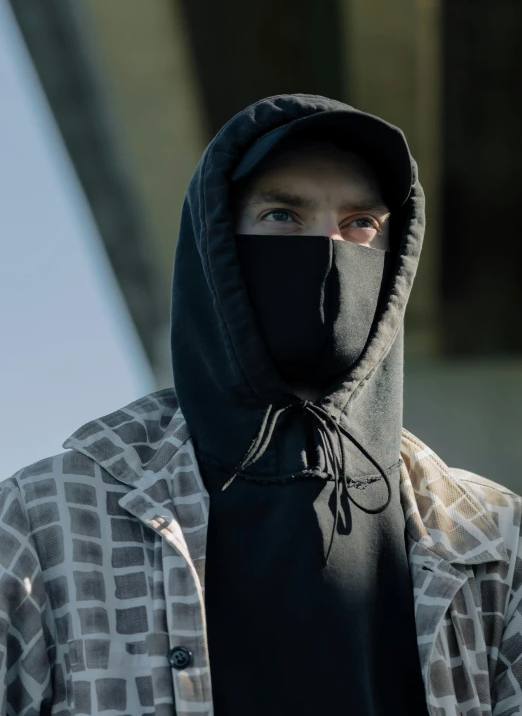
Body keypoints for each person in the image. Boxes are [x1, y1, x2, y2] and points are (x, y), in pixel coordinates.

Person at [0, 94, 520, 716]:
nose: (329, 249)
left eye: (361, 224)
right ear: (215, 244)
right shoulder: (46, 524)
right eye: (282, 215)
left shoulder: (490, 538)